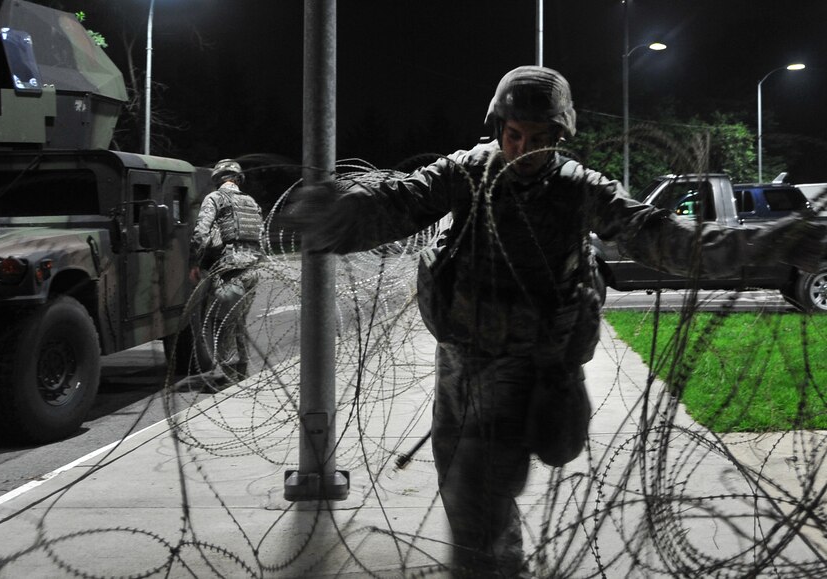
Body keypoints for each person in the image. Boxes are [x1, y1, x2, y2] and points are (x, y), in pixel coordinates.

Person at [283, 66, 826, 577]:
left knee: (477, 491)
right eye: (515, 134)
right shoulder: (467, 173)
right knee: (464, 488)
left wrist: (776, 237)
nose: (523, 149)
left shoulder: (578, 189)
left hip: (526, 370)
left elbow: (671, 241)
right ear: (499, 126)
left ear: (559, 136)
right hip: (459, 362)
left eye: (538, 137)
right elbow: (401, 200)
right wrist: (338, 216)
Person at [190, 158, 264, 382]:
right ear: (238, 179)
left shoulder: (215, 198)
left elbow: (201, 234)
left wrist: (197, 263)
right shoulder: (251, 202)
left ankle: (227, 376)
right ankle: (242, 373)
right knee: (237, 322)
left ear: (217, 179)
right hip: (252, 270)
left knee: (221, 324)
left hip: (229, 272)